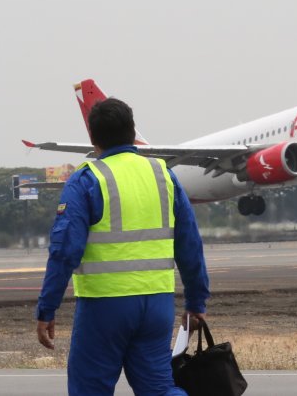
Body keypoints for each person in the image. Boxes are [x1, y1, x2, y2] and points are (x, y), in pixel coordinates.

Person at [36, 97, 210, 396]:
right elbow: (189, 244)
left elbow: (65, 251)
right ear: (132, 132)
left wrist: (47, 307)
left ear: (93, 139)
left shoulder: (87, 179)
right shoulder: (163, 175)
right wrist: (196, 302)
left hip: (104, 305)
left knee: (89, 389)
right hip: (156, 304)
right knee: (159, 389)